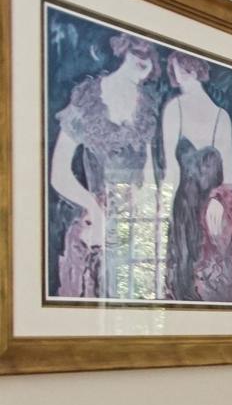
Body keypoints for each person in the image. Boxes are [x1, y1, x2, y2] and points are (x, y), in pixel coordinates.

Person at [49, 34, 158, 300]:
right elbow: (58, 173)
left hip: (134, 228)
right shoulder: (88, 99)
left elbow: (149, 177)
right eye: (137, 57)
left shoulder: (145, 106)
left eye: (149, 62)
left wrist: (143, 213)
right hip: (93, 225)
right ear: (123, 51)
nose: (143, 68)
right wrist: (95, 209)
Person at [161, 50, 232, 303]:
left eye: (183, 68)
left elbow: (228, 180)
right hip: (183, 208)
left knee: (210, 275)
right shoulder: (175, 109)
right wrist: (165, 211)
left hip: (211, 210)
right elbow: (171, 171)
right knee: (183, 271)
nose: (180, 75)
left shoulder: (221, 117)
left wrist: (219, 203)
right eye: (177, 69)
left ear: (195, 69)